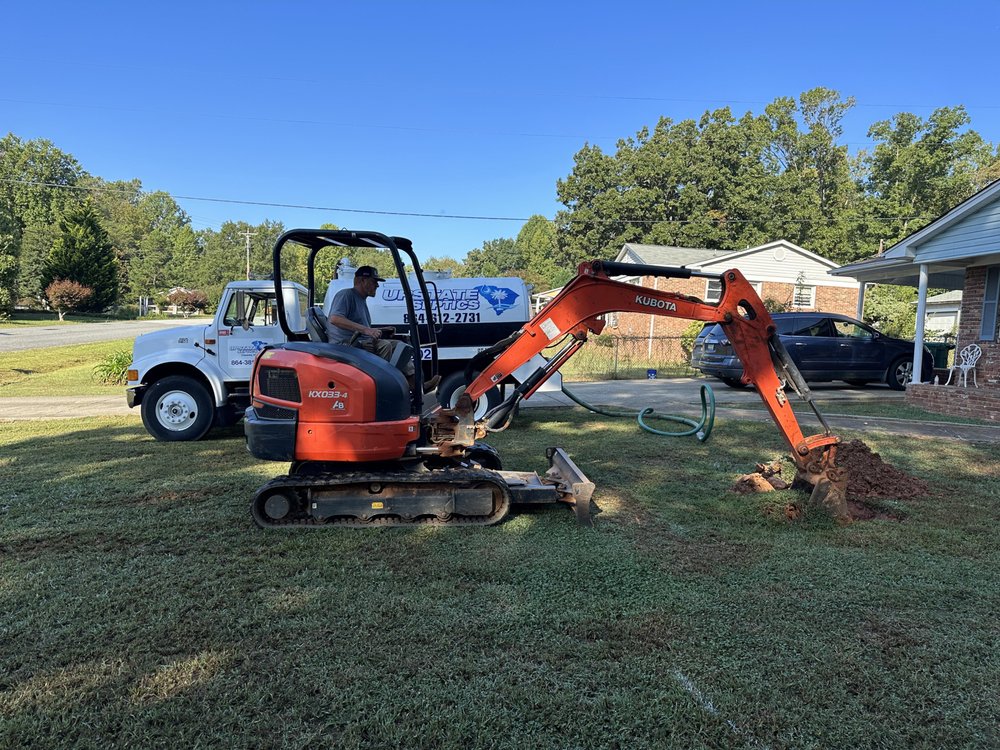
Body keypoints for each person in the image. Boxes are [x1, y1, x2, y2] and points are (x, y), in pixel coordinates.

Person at [327, 266, 439, 393]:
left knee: (402, 346)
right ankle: (383, 390)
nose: (377, 286)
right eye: (374, 282)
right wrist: (366, 330)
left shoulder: (361, 300)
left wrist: (381, 329)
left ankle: (416, 386)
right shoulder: (346, 295)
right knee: (385, 346)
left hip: (359, 342)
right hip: (346, 345)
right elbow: (335, 319)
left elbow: (360, 328)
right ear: (362, 281)